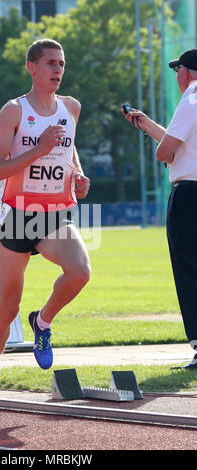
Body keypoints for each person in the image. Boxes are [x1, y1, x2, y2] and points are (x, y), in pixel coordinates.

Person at [0, 39, 91, 417]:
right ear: (32, 67)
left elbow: (69, 147)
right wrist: (38, 150)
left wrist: (78, 174)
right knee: (6, 307)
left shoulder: (71, 106)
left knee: (80, 273)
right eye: (51, 63)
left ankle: (42, 322)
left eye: (62, 63)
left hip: (55, 213)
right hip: (19, 215)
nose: (58, 70)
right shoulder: (14, 111)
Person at [122, 48, 197, 370]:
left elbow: (166, 153)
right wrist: (148, 125)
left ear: (187, 72)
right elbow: (179, 143)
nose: (177, 76)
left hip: (190, 194)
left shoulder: (192, 96)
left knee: (189, 270)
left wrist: (163, 148)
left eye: (177, 70)